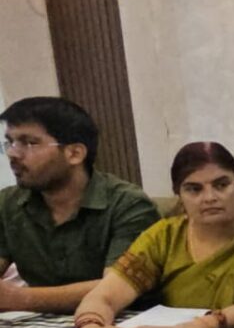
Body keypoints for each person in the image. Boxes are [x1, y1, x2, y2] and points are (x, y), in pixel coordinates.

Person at [73, 142, 234, 328]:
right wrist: (90, 325)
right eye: (194, 189)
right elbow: (105, 295)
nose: (210, 198)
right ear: (179, 196)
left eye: (221, 185)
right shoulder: (165, 236)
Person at [0, 96, 159, 313]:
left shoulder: (129, 204)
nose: (13, 153)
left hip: (118, 321)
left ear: (74, 154)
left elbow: (117, 287)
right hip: (37, 325)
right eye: (10, 142)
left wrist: (21, 299)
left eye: (29, 143)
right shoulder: (8, 203)